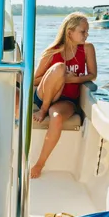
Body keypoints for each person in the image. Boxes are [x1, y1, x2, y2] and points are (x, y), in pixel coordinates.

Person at [30, 12, 97, 179]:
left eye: (87, 31)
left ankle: (40, 164)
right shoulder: (52, 52)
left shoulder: (87, 48)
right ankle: (43, 109)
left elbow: (92, 74)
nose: (86, 35)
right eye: (83, 31)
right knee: (59, 67)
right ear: (69, 32)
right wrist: (58, 76)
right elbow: (34, 80)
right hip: (45, 96)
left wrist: (72, 79)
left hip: (67, 100)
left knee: (57, 116)